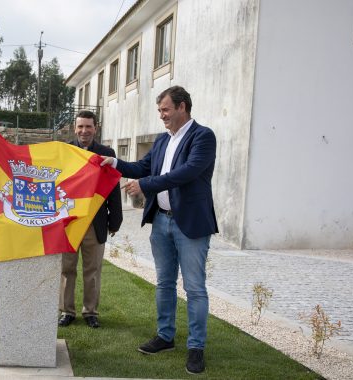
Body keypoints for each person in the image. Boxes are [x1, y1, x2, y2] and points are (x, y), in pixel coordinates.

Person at [101, 86, 217, 374]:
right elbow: (142, 166)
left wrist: (147, 185)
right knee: (164, 283)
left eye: (165, 110)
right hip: (161, 221)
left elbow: (187, 173)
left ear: (182, 107)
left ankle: (196, 347)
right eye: (160, 111)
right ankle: (165, 336)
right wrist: (114, 162)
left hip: (190, 224)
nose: (162, 115)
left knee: (194, 288)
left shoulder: (203, 136)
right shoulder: (162, 141)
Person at [58, 110, 123, 329]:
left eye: (88, 126)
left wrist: (115, 221)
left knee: (92, 270)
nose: (84, 131)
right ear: (74, 128)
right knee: (66, 269)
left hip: (94, 223)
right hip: (68, 221)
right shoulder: (65, 151)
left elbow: (113, 189)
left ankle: (90, 312)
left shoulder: (107, 153)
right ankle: (67, 311)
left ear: (96, 128)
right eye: (80, 127)